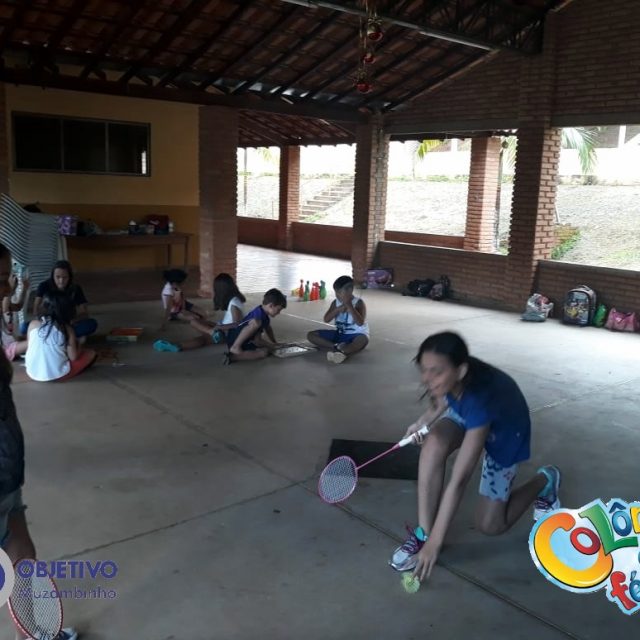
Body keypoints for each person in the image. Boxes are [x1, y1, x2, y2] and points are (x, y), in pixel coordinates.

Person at [389, 331, 561, 583]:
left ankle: (545, 481)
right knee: (433, 444)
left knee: (491, 525)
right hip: (467, 411)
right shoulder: (451, 377)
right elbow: (441, 398)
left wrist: (436, 543)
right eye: (424, 370)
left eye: (436, 372)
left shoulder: (479, 402)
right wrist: (422, 422)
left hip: (505, 429)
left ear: (460, 371)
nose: (427, 378)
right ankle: (423, 533)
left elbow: (459, 481)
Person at [0, 243, 77, 640]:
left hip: (7, 467)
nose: (6, 288)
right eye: (1, 279)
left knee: (23, 554)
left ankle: (30, 633)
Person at [154, 273, 245, 353]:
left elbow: (238, 324)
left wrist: (220, 327)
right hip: (224, 329)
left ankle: (178, 345)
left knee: (199, 332)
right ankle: (178, 345)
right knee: (198, 326)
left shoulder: (234, 303)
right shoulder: (234, 300)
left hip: (228, 333)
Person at [25, 290, 97, 382]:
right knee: (91, 353)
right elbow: (73, 357)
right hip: (57, 375)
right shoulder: (67, 329)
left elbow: (30, 347)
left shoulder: (33, 324)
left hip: (32, 372)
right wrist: (80, 343)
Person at [307, 275, 369, 364]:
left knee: (363, 340)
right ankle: (336, 347)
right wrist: (337, 309)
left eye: (340, 292)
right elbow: (326, 319)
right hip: (339, 334)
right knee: (311, 335)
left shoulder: (359, 303)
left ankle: (342, 352)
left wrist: (350, 307)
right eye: (336, 292)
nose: (337, 295)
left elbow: (360, 323)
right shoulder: (335, 303)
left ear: (350, 290)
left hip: (356, 335)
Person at [30, 260, 97, 339]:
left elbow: (84, 312)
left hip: (68, 324)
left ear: (70, 277)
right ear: (53, 276)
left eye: (65, 277)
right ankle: (67, 338)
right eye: (58, 277)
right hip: (49, 325)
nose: (61, 281)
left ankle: (62, 337)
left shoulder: (75, 288)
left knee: (91, 324)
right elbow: (36, 311)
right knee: (25, 327)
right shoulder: (44, 286)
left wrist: (73, 320)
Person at [224, 288, 287, 364]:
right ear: (271, 306)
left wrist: (274, 343)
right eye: (278, 310)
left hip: (245, 341)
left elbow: (268, 328)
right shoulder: (259, 316)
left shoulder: (263, 314)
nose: (279, 313)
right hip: (235, 338)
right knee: (257, 324)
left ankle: (232, 357)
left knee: (265, 351)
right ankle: (235, 348)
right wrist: (272, 345)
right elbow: (257, 341)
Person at [2, 270, 29, 362]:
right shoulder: (3, 303)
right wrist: (11, 289)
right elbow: (5, 309)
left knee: (32, 336)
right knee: (33, 342)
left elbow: (18, 306)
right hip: (6, 349)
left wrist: (24, 288)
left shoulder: (6, 301)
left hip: (12, 341)